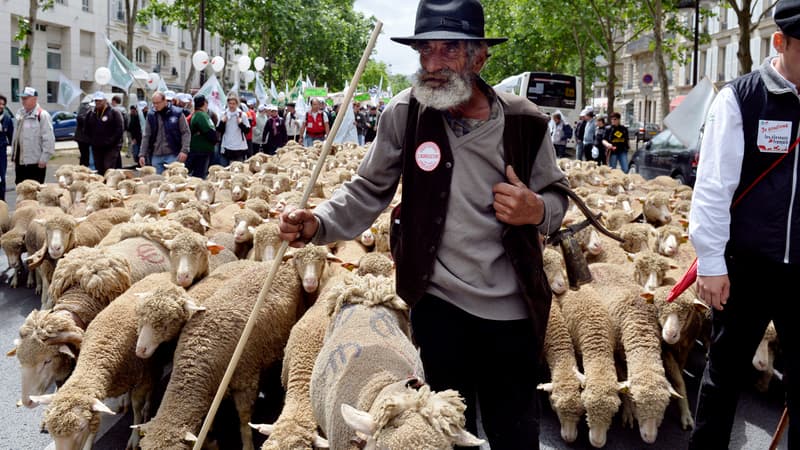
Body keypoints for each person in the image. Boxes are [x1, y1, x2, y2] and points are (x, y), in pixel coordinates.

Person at [278, 0, 568, 447]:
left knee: (516, 431)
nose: (432, 65)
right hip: (438, 305)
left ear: (479, 57)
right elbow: (366, 189)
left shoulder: (524, 122)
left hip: (511, 310)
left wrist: (536, 210)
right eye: (424, 52)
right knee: (446, 431)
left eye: (448, 50)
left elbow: (556, 196)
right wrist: (317, 223)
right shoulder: (405, 114)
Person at [688, 2, 799, 448]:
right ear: (781, 42)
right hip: (746, 265)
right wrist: (712, 262)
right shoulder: (741, 98)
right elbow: (713, 186)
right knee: (724, 377)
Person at [10, 87, 55, 184]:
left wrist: (44, 159)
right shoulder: (20, 113)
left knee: (34, 193)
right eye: (22, 98)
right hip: (20, 162)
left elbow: (49, 139)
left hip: (35, 163)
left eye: (26, 98)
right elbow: (16, 137)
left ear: (34, 99)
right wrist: (13, 155)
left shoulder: (42, 115)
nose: (23, 101)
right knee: (21, 190)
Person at [138, 91, 190, 174]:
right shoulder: (151, 115)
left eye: (158, 103)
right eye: (154, 103)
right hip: (156, 154)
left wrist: (184, 150)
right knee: (158, 181)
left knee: (174, 180)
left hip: (174, 153)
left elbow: (185, 132)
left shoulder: (177, 113)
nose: (155, 105)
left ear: (165, 101)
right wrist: (142, 154)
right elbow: (146, 135)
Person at [84, 91, 125, 176]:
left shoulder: (114, 112)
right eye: (96, 101)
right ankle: (101, 187)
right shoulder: (91, 113)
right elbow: (86, 128)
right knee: (99, 169)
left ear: (105, 101)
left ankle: (109, 187)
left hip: (111, 147)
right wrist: (91, 140)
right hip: (97, 147)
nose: (98, 102)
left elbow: (119, 129)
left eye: (100, 100)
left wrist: (111, 141)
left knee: (108, 168)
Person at [187, 95, 216, 179]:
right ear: (204, 103)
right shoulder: (201, 115)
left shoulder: (200, 114)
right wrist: (214, 139)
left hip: (202, 150)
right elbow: (209, 131)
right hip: (201, 151)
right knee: (199, 176)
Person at [217, 94, 251, 162]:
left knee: (237, 169)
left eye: (233, 104)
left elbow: (247, 130)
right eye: (230, 103)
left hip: (239, 147)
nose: (231, 106)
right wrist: (222, 122)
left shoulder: (242, 115)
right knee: (224, 170)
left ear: (237, 104)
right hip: (226, 145)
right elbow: (218, 130)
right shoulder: (223, 114)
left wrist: (240, 124)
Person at [0, 94, 13, 200]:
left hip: (1, 153)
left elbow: (12, 137)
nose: (1, 106)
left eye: (3, 104)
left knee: (1, 178)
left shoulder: (7, 119)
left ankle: (2, 203)